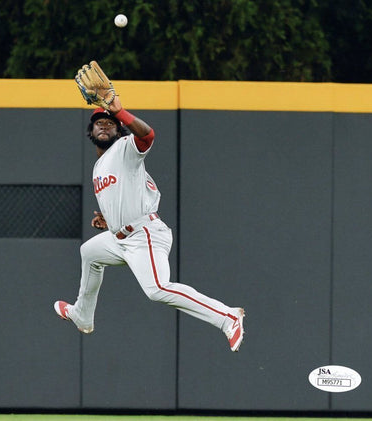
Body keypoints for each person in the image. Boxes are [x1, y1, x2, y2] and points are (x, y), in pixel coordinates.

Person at [54, 95, 245, 351]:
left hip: (145, 235)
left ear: (119, 129)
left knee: (156, 289)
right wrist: (109, 221)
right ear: (90, 130)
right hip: (121, 237)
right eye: (98, 122)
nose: (103, 125)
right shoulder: (99, 166)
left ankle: (227, 317)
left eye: (109, 122)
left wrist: (120, 112)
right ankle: (82, 315)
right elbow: (127, 196)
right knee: (89, 253)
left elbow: (147, 136)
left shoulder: (125, 148)